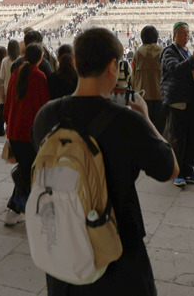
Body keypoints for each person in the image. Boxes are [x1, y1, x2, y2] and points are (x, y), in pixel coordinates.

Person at [32, 27, 177, 295]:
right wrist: (146, 117)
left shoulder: (46, 116)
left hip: (64, 250)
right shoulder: (127, 120)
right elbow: (169, 169)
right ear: (113, 65)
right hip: (118, 246)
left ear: (75, 62)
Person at [3, 42, 50, 226]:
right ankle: (15, 209)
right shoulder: (39, 76)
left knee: (26, 171)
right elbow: (44, 106)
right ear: (40, 57)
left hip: (15, 131)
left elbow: (8, 101)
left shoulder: (17, 73)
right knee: (28, 172)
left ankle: (20, 209)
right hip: (29, 134)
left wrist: (7, 121)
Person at [161, 21, 194, 187]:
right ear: (174, 35)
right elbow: (175, 70)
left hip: (191, 100)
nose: (186, 36)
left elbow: (191, 73)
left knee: (193, 138)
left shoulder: (187, 52)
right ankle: (177, 173)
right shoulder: (169, 52)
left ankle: (189, 170)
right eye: (183, 33)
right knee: (178, 139)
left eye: (188, 33)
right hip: (177, 101)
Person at [131, 25, 164, 132]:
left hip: (143, 96)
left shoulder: (138, 53)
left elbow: (133, 77)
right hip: (161, 96)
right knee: (160, 130)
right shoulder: (163, 51)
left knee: (145, 130)